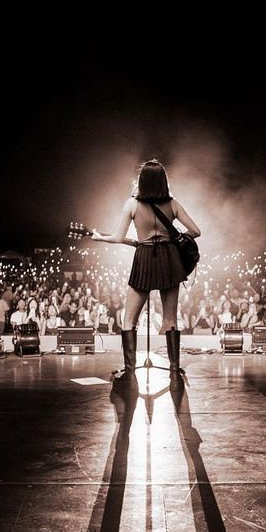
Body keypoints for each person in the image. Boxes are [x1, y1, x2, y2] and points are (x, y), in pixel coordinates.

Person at [90, 158, 201, 381]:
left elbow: (118, 237)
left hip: (144, 258)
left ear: (142, 180)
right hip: (170, 259)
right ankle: (174, 370)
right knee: (170, 320)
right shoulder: (173, 203)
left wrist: (99, 238)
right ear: (163, 181)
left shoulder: (131, 204)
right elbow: (196, 231)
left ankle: (130, 371)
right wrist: (174, 239)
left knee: (129, 319)